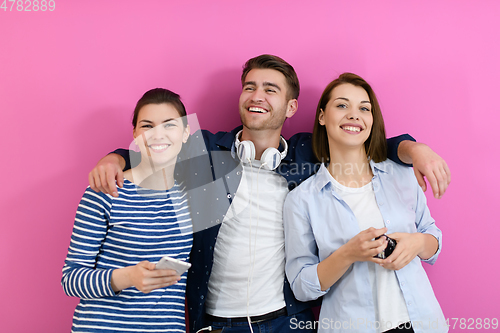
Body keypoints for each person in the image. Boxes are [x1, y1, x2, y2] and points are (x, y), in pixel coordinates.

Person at [88, 55, 451, 333]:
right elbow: (158, 144)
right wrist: (116, 157)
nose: (256, 95)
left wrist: (415, 149)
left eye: (270, 89)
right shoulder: (205, 154)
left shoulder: (306, 156)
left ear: (292, 107)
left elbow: (361, 138)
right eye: (250, 86)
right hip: (215, 322)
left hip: (286, 321)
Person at [283, 73, 447, 333]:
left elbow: (433, 238)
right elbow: (301, 286)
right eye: (342, 105)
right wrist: (348, 254)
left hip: (421, 323)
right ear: (322, 117)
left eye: (364, 108)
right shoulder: (302, 200)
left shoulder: (402, 175)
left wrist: (417, 243)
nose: (354, 115)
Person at [62, 88, 193, 332]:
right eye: (147, 126)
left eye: (169, 125)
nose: (157, 134)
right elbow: (71, 279)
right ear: (134, 133)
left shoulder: (194, 198)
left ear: (186, 132)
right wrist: (127, 277)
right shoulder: (106, 191)